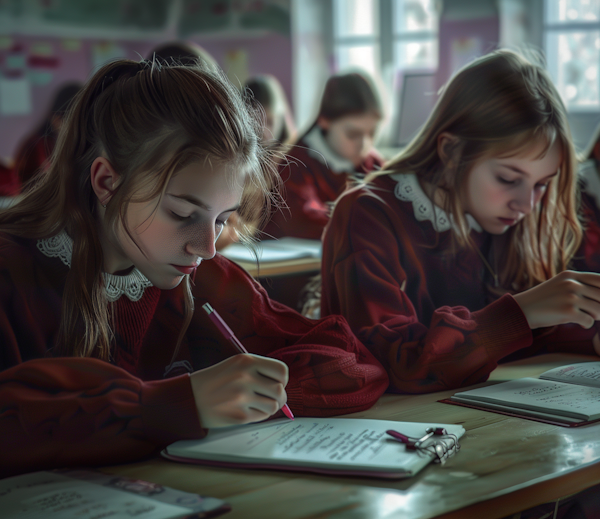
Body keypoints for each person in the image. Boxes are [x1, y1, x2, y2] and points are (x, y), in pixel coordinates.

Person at [0, 58, 388, 478]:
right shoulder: (13, 272)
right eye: (183, 213)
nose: (205, 247)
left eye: (222, 220)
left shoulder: (199, 275)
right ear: (107, 183)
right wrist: (181, 402)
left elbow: (352, 360)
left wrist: (253, 391)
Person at [320, 49, 600, 395]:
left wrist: (589, 332)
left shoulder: (499, 218)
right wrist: (519, 315)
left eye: (542, 184)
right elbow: (396, 365)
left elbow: (524, 341)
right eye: (508, 178)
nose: (527, 204)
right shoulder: (369, 213)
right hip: (387, 435)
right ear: (451, 152)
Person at [263, 71, 385, 240]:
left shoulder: (374, 164)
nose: (364, 145)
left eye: (372, 133)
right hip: (296, 263)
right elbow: (301, 220)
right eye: (352, 134)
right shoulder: (296, 162)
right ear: (324, 121)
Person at [12, 82, 82, 189]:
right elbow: (31, 189)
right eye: (75, 122)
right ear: (57, 119)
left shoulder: (73, 145)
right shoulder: (36, 146)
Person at [244, 74, 296, 145]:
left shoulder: (295, 152)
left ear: (281, 118)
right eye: (255, 123)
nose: (263, 133)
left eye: (269, 122)